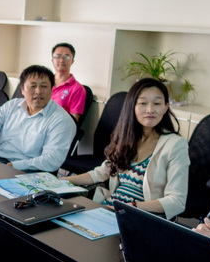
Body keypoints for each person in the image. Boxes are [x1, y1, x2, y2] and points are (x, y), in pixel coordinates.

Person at [67, 78, 190, 220]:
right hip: (108, 209)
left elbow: (177, 201)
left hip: (136, 216)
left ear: (165, 107)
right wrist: (63, 181)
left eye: (157, 103)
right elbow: (100, 173)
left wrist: (131, 206)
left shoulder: (175, 145)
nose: (150, 110)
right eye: (143, 103)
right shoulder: (127, 137)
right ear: (132, 106)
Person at [50, 43, 86, 122]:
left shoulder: (77, 89)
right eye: (58, 56)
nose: (61, 60)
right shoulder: (44, 82)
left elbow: (73, 121)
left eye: (66, 57)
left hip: (57, 126)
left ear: (72, 61)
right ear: (52, 60)